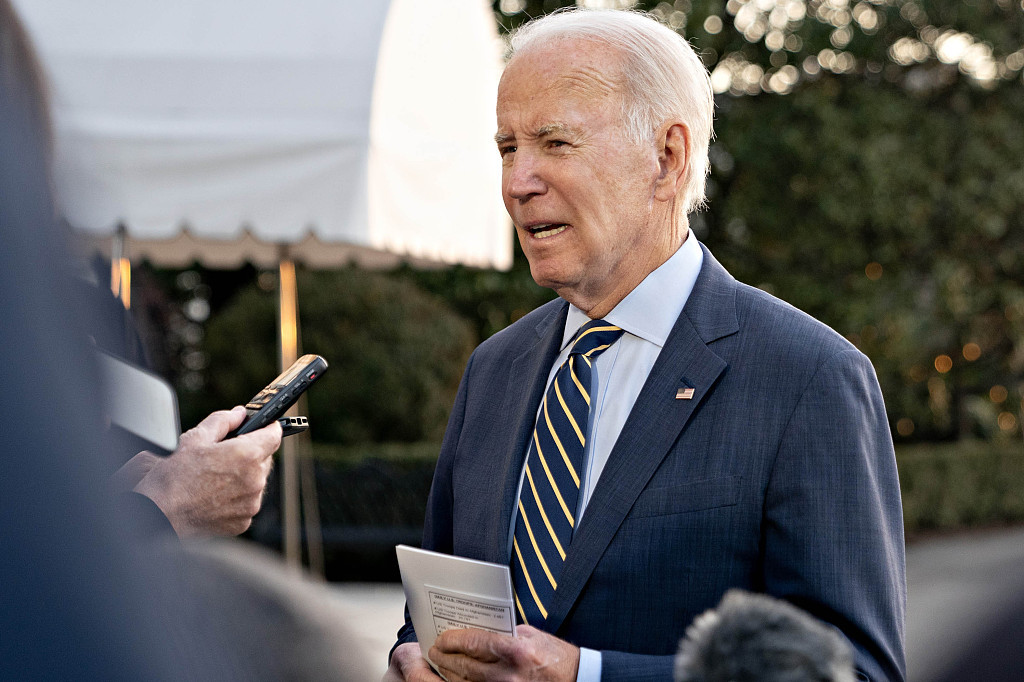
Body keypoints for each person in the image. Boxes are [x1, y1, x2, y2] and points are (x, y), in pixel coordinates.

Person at [386, 8, 905, 682]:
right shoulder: (495, 369)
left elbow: (854, 671)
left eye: (556, 143)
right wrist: (409, 660)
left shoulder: (810, 377)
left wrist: (590, 675)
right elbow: (427, 614)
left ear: (667, 157)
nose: (518, 182)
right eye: (509, 147)